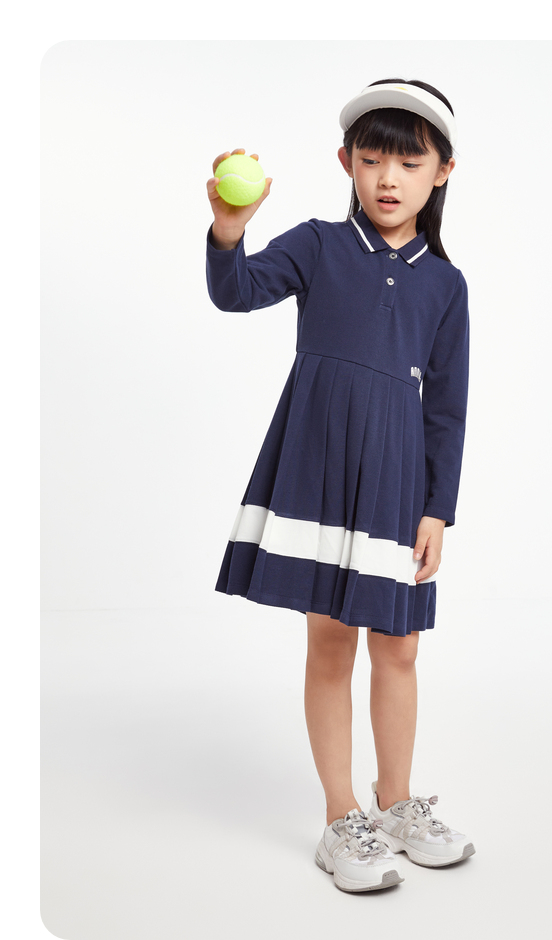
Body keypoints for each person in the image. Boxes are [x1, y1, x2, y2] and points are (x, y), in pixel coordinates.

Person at [205, 79, 474, 893]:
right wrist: (228, 233)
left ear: (443, 171)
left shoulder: (446, 285)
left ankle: (397, 803)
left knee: (399, 645)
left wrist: (437, 509)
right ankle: (340, 816)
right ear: (346, 162)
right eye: (372, 160)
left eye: (409, 163)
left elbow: (448, 409)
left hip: (395, 480)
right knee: (329, 641)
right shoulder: (319, 245)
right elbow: (236, 292)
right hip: (318, 467)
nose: (388, 178)